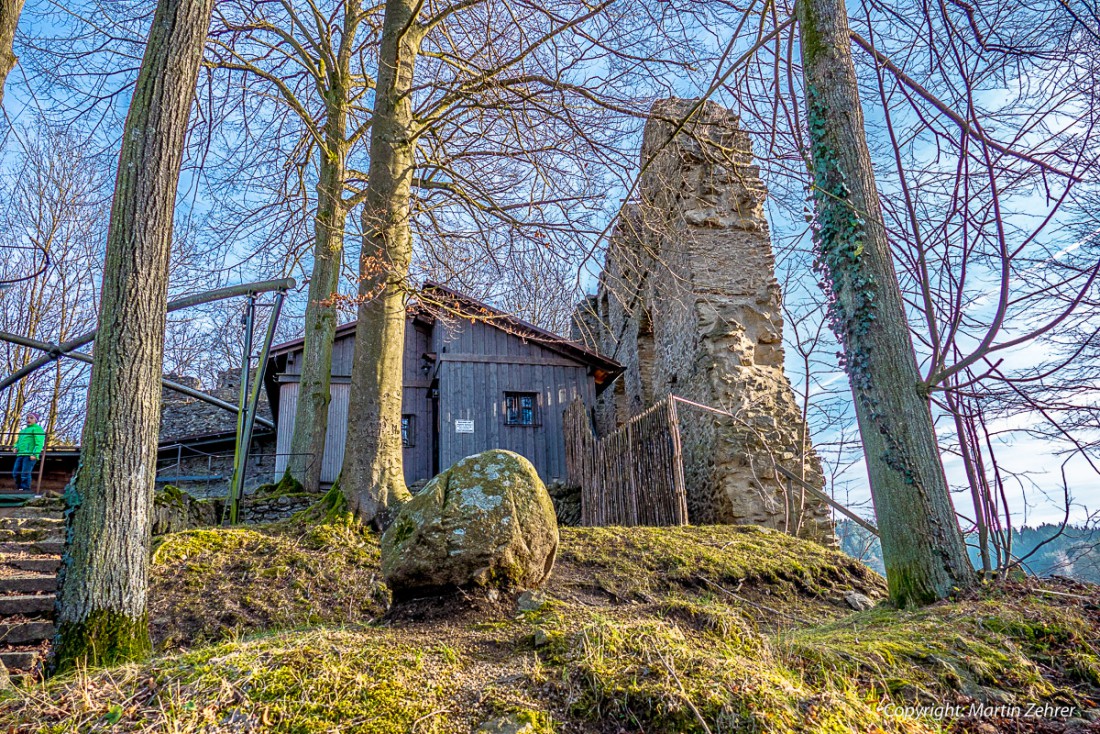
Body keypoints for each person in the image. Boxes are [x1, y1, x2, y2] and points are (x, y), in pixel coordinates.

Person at [13, 413, 45, 493]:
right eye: (27, 418)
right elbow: (18, 442)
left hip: (29, 454)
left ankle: (25, 489)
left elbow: (39, 442)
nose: (28, 420)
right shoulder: (23, 431)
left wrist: (35, 454)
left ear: (35, 420)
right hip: (20, 454)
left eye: (31, 418)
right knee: (15, 473)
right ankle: (19, 488)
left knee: (25, 473)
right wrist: (15, 447)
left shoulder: (37, 429)